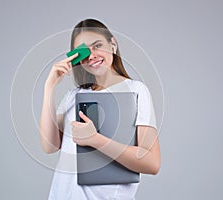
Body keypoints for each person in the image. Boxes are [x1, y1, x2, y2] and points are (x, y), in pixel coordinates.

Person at [40, 18, 161, 200]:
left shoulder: (136, 91)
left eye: (97, 46)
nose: (91, 56)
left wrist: (95, 140)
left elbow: (152, 163)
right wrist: (49, 87)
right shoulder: (73, 96)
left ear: (113, 44)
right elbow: (49, 146)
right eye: (83, 52)